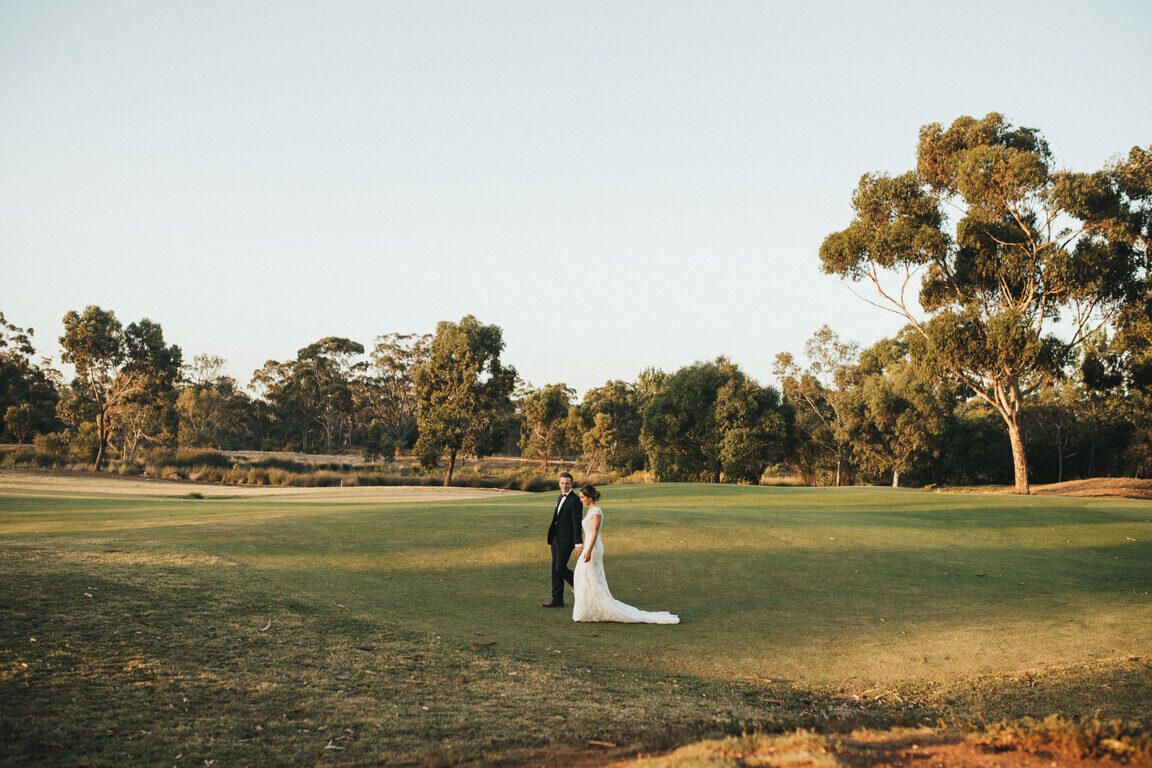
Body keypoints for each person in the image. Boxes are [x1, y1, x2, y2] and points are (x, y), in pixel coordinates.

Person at [572, 484, 679, 624]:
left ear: (590, 498)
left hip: (594, 548)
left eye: (582, 497)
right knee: (583, 576)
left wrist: (589, 550)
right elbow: (588, 533)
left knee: (593, 578)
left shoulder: (596, 511)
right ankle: (588, 609)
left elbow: (595, 533)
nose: (580, 500)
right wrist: (583, 547)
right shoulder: (589, 511)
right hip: (588, 547)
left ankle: (600, 608)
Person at [542, 471, 582, 607]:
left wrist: (578, 543)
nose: (564, 486)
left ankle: (582, 587)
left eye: (567, 483)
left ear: (572, 484)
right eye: (562, 483)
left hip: (567, 540)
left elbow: (577, 523)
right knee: (555, 569)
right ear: (559, 484)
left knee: (560, 567)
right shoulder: (560, 498)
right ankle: (557, 600)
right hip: (555, 539)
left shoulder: (575, 500)